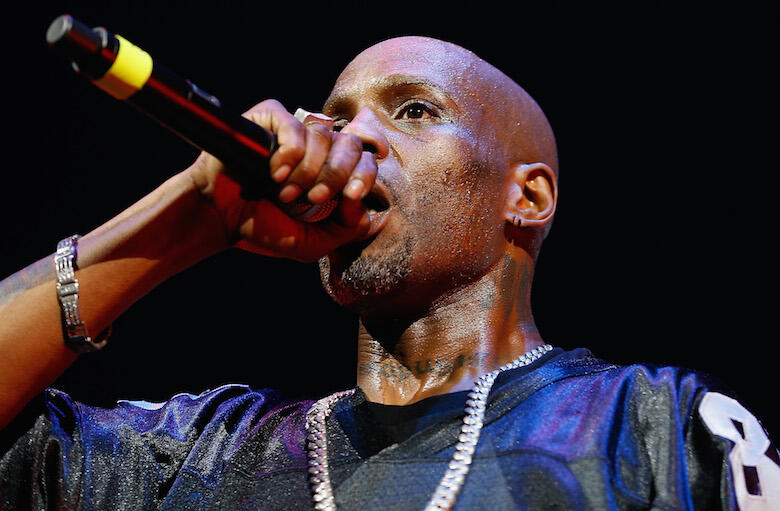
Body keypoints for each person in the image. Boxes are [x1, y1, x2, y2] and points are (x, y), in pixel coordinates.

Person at [0, 35, 777, 510]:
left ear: (528, 195)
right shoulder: (195, 459)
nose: (351, 138)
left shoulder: (657, 432)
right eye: (337, 119)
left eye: (413, 112)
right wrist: (191, 216)